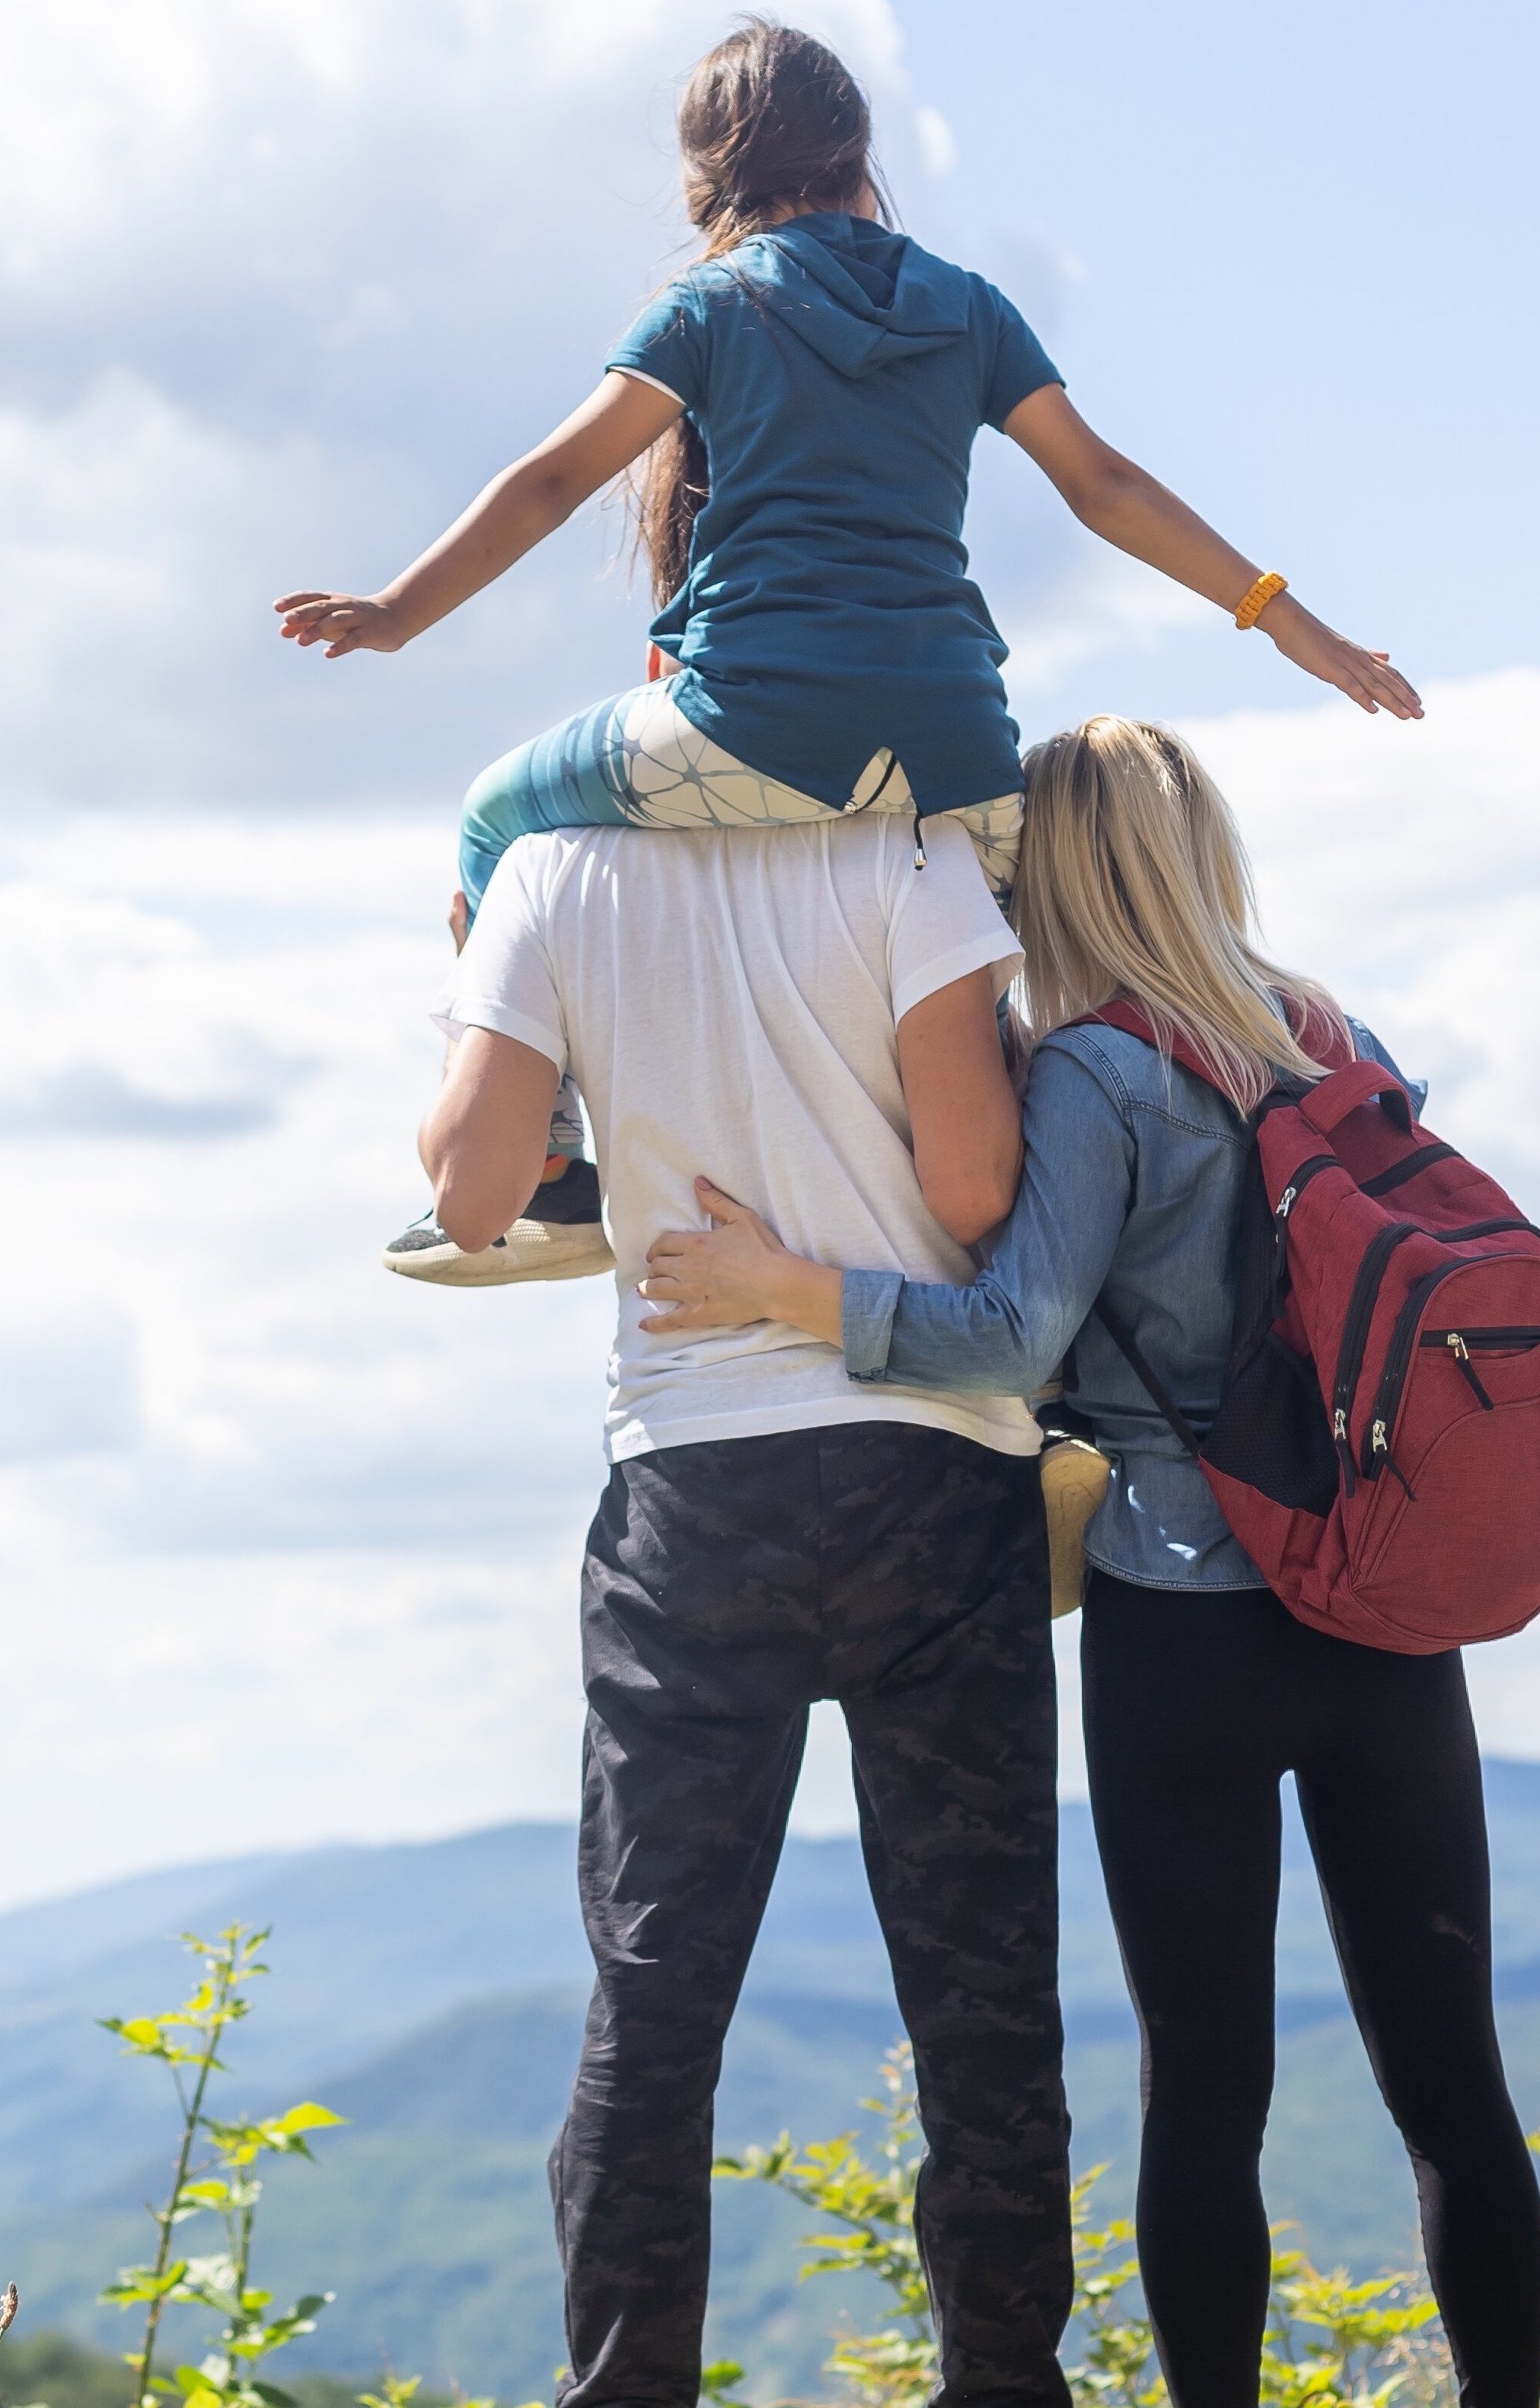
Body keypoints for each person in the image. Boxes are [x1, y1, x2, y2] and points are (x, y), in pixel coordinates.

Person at [635, 717, 1540, 2408]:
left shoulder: (1095, 1069)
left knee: (1204, 2093)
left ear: (1041, 868)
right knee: (1451, 2082)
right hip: (1383, 1608)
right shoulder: (1328, 1032)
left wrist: (785, 1288)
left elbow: (1008, 1336)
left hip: (1183, 1628)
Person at [275, 18, 1419, 1285]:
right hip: (956, 767)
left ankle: (549, 1177)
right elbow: (1104, 484)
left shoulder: (713, 302)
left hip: (749, 730)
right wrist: (1286, 619)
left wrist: (397, 608)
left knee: (496, 815)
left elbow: (552, 481)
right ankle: (1053, 1284)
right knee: (971, 1136)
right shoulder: (967, 305)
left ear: (709, 173)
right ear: (860, 150)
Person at [425, 795, 1071, 2408]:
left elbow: (468, 1195)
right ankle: (1002, 2386)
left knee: (655, 1983)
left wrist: (492, 1000)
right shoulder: (906, 851)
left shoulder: (549, 867)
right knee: (982, 1983)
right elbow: (980, 1190)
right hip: (932, 1466)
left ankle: (627, 2388)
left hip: (696, 1485)